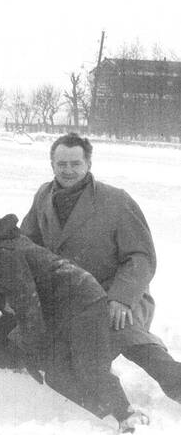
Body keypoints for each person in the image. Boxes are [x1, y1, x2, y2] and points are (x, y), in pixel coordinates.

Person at [20, 133, 181, 403]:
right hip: (69, 297)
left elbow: (141, 257)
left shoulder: (116, 201)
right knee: (64, 360)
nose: (68, 170)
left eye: (75, 163)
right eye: (62, 164)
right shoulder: (44, 196)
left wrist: (122, 298)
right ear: (52, 164)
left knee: (124, 331)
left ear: (88, 164)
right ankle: (104, 404)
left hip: (113, 293)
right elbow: (28, 242)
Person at [0, 201, 140, 432]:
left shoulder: (0, 253)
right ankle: (103, 415)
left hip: (82, 301)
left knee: (89, 365)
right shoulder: (0, 245)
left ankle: (127, 415)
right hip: (70, 303)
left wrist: (29, 346)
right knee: (57, 372)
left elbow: (27, 303)